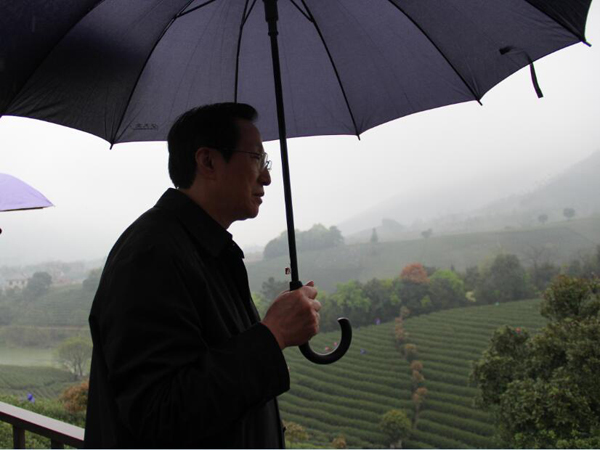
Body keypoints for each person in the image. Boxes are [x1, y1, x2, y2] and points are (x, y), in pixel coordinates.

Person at [84, 103, 321, 448]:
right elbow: (160, 414)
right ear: (208, 161)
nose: (266, 177)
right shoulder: (152, 255)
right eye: (256, 158)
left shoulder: (203, 249)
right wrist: (273, 334)